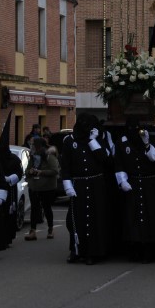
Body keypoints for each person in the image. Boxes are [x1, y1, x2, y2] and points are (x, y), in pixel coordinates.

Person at [62, 113, 109, 265]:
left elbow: (105, 160)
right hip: (78, 185)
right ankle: (76, 249)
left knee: (94, 218)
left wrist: (93, 141)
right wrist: (68, 185)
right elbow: (66, 166)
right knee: (76, 219)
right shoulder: (69, 141)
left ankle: (93, 252)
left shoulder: (97, 139)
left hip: (96, 184)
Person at [114, 116, 155, 263]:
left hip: (149, 184)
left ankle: (150, 249)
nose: (133, 131)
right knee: (133, 217)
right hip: (133, 183)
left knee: (150, 216)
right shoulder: (121, 143)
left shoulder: (147, 138)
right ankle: (134, 248)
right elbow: (119, 163)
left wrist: (147, 144)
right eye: (130, 128)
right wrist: (122, 180)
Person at [0, 112, 24, 244]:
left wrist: (10, 178)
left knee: (9, 212)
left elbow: (19, 172)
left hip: (10, 189)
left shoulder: (14, 159)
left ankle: (9, 235)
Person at [24, 137, 59, 241]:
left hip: (47, 187)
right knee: (34, 208)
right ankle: (33, 231)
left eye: (33, 144)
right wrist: (29, 172)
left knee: (47, 207)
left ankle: (50, 229)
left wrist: (41, 172)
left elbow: (54, 171)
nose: (31, 146)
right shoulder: (33, 156)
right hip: (34, 186)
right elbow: (26, 170)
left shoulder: (49, 156)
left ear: (38, 145)